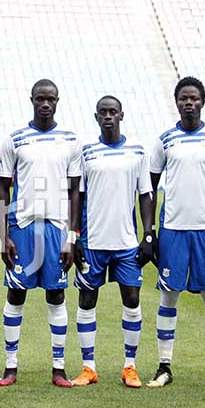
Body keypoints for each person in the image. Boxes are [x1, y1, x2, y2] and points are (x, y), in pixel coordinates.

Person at [147, 77, 205, 389]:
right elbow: (150, 188)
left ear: (202, 101)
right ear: (177, 101)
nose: (188, 103)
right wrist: (150, 232)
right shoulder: (165, 140)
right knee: (169, 296)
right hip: (172, 231)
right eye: (183, 98)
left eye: (194, 98)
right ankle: (164, 366)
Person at [0, 80, 78, 388]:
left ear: (58, 101)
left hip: (56, 228)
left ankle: (58, 368)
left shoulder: (70, 140)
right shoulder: (15, 139)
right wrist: (3, 235)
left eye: (51, 99)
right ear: (31, 100)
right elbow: (2, 187)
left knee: (56, 295)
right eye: (40, 99)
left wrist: (73, 236)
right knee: (16, 294)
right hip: (22, 226)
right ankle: (10, 367)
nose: (46, 104)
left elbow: (75, 191)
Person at [73, 95, 156, 389]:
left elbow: (145, 194)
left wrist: (148, 234)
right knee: (87, 299)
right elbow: (77, 196)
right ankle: (88, 366)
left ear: (122, 115)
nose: (108, 116)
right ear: (96, 117)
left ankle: (130, 366)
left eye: (113, 112)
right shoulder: (86, 152)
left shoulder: (137, 152)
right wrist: (75, 236)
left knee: (132, 300)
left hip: (126, 243)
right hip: (93, 241)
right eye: (103, 112)